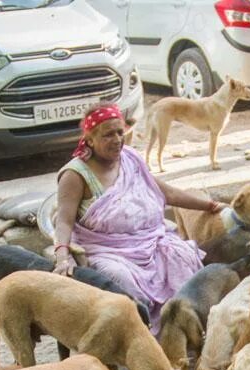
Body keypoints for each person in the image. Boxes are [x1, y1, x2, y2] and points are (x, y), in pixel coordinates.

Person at [50, 103, 223, 333]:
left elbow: (166, 192)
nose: (117, 139)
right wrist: (62, 256)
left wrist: (208, 205)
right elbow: (63, 221)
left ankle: (181, 330)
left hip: (150, 240)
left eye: (120, 132)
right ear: (89, 140)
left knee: (182, 257)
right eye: (108, 134)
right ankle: (142, 337)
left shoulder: (130, 159)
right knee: (121, 279)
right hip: (107, 250)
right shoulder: (75, 174)